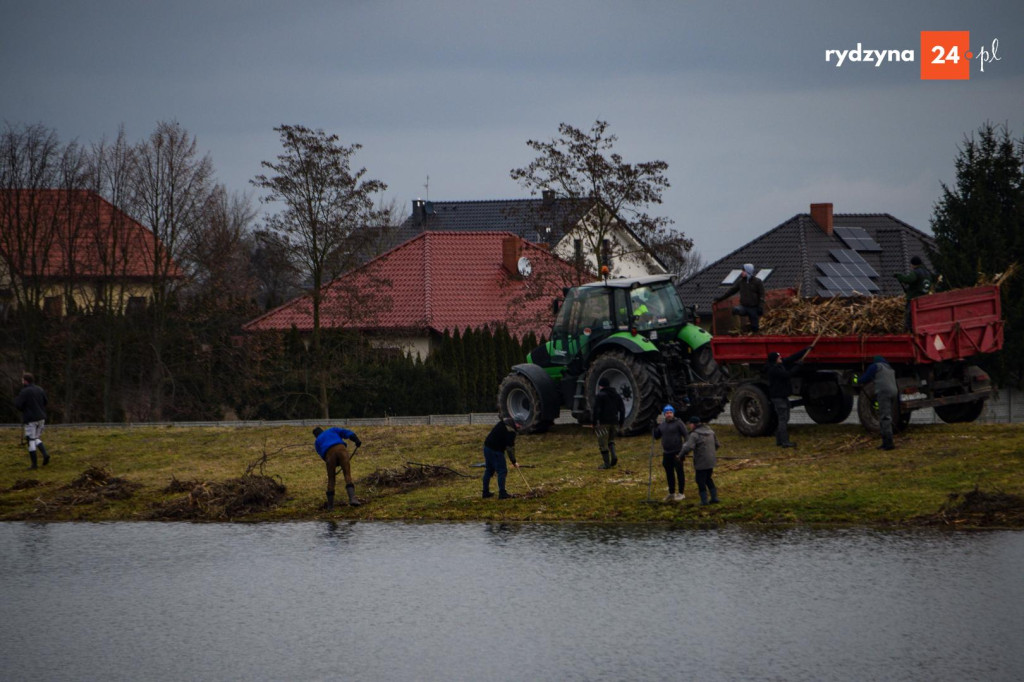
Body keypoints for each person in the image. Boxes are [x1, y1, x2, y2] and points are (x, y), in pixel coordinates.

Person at [766, 345, 814, 448]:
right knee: (783, 419)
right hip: (778, 398)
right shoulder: (774, 370)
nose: (781, 358)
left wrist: (805, 350)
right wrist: (798, 366)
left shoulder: (778, 365)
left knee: (783, 418)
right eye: (779, 358)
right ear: (775, 360)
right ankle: (784, 442)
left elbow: (792, 358)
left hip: (781, 397)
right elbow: (788, 374)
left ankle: (779, 440)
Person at [312, 426, 362, 510]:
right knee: (347, 474)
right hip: (341, 449)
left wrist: (332, 464)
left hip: (329, 455)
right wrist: (356, 440)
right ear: (322, 430)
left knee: (331, 479)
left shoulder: (317, 441)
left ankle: (330, 506)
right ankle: (353, 499)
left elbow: (322, 455)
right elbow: (347, 432)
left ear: (316, 436)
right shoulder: (332, 430)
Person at [680, 415, 720, 506]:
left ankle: (704, 501)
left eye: (690, 424)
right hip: (711, 460)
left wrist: (680, 455)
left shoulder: (695, 434)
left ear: (693, 424)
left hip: (701, 461)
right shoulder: (711, 431)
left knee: (700, 480)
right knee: (708, 478)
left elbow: (688, 447)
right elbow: (717, 444)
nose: (689, 426)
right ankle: (714, 498)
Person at [860, 355, 898, 450]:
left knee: (884, 417)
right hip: (894, 392)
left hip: (884, 392)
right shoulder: (889, 367)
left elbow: (866, 377)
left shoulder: (876, 366)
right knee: (888, 415)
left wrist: (857, 380)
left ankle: (888, 443)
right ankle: (887, 441)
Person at [714, 263, 766, 333]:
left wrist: (760, 306)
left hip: (754, 308)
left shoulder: (757, 282)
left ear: (748, 271)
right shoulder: (741, 282)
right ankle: (736, 329)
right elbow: (731, 291)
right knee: (735, 310)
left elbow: (762, 295)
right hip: (744, 307)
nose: (742, 272)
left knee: (755, 328)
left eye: (743, 270)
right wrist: (720, 298)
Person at [653, 405, 687, 502]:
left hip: (678, 452)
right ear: (664, 414)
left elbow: (686, 435)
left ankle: (681, 493)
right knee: (669, 473)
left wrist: (684, 450)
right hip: (667, 453)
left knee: (679, 472)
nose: (669, 414)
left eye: (670, 412)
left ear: (673, 413)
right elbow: (656, 436)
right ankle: (671, 493)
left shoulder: (679, 423)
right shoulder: (662, 425)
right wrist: (654, 426)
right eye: (667, 413)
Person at [14, 372, 49, 469]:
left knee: (30, 440)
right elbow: (46, 402)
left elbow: (18, 405)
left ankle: (34, 464)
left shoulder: (24, 392)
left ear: (25, 381)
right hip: (41, 418)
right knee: (36, 437)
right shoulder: (40, 389)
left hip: (30, 419)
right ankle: (45, 454)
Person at [483, 417, 520, 499]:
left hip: (486, 448)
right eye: (519, 424)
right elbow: (510, 448)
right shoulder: (511, 432)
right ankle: (502, 494)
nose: (520, 426)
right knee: (502, 471)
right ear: (516, 423)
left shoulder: (502, 423)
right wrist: (514, 462)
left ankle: (485, 492)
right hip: (496, 451)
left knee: (489, 470)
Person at [593, 376, 625, 469]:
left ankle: (606, 464)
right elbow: (622, 409)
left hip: (603, 423)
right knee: (611, 440)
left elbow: (596, 410)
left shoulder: (600, 395)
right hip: (615, 422)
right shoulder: (616, 395)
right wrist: (621, 422)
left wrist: (594, 422)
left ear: (601, 386)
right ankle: (614, 456)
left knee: (603, 443)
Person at [895, 255, 934, 330]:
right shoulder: (927, 273)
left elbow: (909, 279)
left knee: (910, 315)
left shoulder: (916, 272)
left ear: (913, 264)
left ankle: (909, 330)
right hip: (924, 298)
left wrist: (899, 276)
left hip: (914, 298)